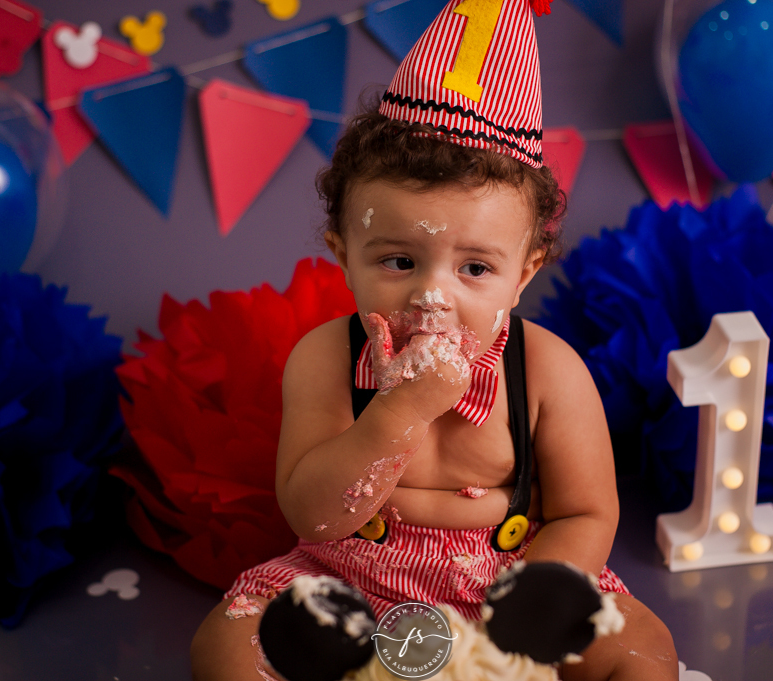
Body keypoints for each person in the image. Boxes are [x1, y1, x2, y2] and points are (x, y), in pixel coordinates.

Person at [192, 2, 677, 679]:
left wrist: (526, 606)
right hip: (349, 572)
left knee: (642, 654)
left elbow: (586, 510)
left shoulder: (544, 368)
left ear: (523, 274)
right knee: (227, 648)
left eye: (475, 268)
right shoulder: (326, 359)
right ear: (344, 253)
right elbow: (313, 513)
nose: (432, 296)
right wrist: (398, 411)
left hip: (509, 576)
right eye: (397, 261)